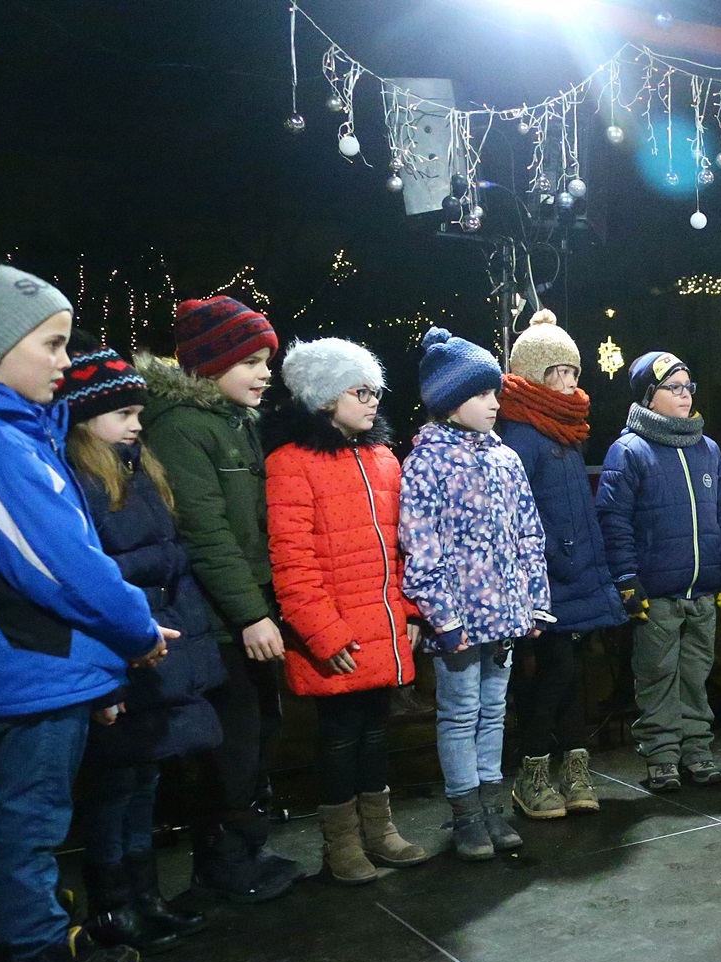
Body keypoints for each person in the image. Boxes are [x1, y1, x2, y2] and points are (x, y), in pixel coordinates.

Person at [0, 265, 173, 962]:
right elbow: (61, 563)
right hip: (30, 674)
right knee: (24, 834)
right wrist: (134, 632)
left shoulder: (21, 429)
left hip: (46, 665)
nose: (65, 362)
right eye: (52, 344)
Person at [61, 348, 220, 953]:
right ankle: (112, 905)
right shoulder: (80, 478)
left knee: (144, 778)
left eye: (138, 411)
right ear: (85, 417)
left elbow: (169, 555)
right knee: (112, 785)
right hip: (120, 652)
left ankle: (146, 894)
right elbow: (90, 576)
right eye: (124, 412)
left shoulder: (138, 471)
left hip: (158, 645)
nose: (136, 424)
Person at [140, 295, 298, 903]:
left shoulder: (235, 423)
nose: (265, 373)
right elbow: (205, 534)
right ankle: (222, 863)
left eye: (267, 360)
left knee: (259, 730)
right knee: (232, 740)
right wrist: (252, 614)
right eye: (252, 360)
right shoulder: (181, 428)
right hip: (218, 619)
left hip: (247, 607)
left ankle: (244, 849)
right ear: (212, 363)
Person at [265, 338, 429, 884]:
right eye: (359, 391)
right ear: (323, 397)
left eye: (375, 390)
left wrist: (406, 610)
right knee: (338, 738)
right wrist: (324, 635)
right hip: (335, 635)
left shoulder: (383, 459)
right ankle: (342, 844)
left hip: (382, 625)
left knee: (377, 733)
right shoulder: (290, 464)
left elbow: (401, 545)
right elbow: (292, 561)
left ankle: (379, 832)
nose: (372, 401)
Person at [400, 328, 552, 860]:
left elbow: (529, 534)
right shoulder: (427, 462)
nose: (494, 402)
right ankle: (465, 812)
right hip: (460, 621)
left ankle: (491, 805)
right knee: (460, 712)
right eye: (481, 394)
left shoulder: (505, 458)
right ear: (448, 401)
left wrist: (534, 601)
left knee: (494, 711)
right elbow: (422, 548)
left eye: (494, 392)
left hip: (506, 616)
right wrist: (445, 618)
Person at [497, 311, 627, 819]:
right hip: (548, 579)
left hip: (579, 576)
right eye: (557, 373)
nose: (569, 383)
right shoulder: (523, 435)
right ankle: (533, 771)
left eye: (572, 373)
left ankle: (574, 768)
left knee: (575, 675)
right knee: (555, 672)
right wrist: (556, 555)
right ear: (532, 375)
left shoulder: (565, 431)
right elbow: (521, 512)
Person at [596, 350, 721, 789]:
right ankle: (661, 754)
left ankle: (697, 749)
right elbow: (614, 520)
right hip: (656, 593)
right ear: (649, 396)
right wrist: (626, 579)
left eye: (688, 387)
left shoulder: (707, 448)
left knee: (696, 673)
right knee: (657, 675)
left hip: (701, 590)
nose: (684, 395)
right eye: (673, 388)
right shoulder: (629, 450)